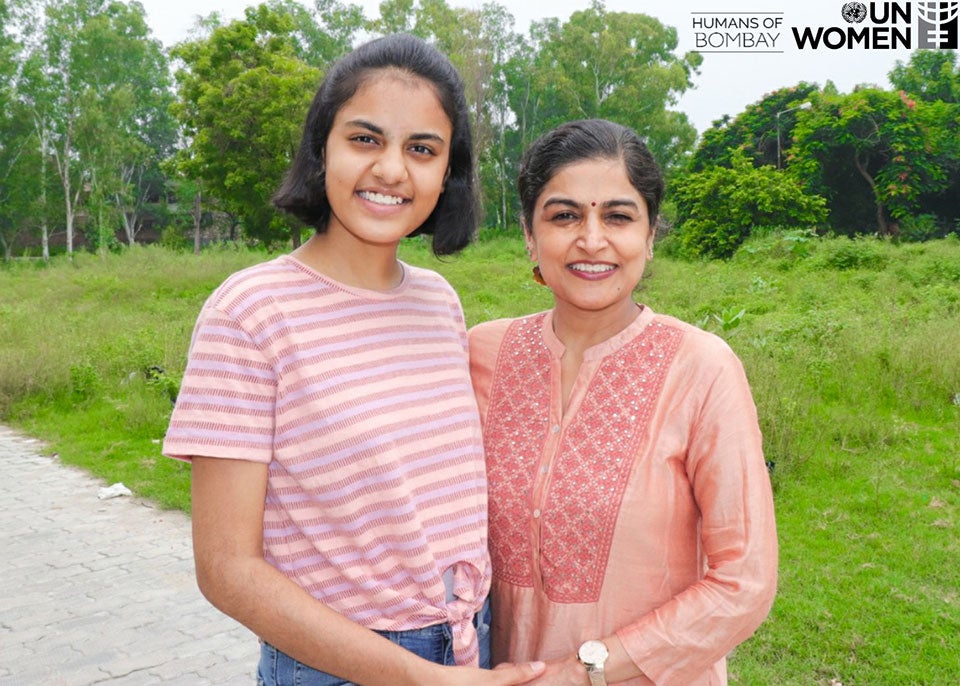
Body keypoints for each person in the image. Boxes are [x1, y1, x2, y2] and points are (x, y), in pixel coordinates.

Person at [163, 34, 545, 686]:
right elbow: (227, 570)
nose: (393, 169)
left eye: (421, 149)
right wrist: (418, 677)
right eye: (365, 139)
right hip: (337, 665)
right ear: (322, 150)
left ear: (448, 172)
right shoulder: (249, 313)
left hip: (466, 642)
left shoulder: (439, 302)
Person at [468, 119, 778, 686]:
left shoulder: (702, 368)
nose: (591, 239)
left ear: (651, 233)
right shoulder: (482, 354)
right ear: (529, 235)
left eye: (617, 215)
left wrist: (583, 672)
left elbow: (746, 580)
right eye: (564, 216)